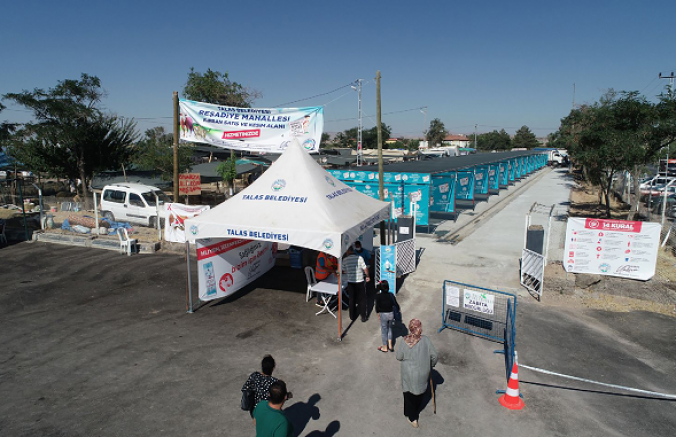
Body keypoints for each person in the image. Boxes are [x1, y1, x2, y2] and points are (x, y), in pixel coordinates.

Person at [396, 319, 438, 428]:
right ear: (420, 328)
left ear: (410, 328)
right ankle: (410, 411)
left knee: (409, 396)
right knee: (419, 394)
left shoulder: (404, 341)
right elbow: (434, 356)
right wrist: (430, 365)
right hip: (422, 374)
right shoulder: (426, 340)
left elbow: (399, 357)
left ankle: (413, 418)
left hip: (408, 374)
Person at [342, 246, 370, 322]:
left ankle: (352, 316)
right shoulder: (360, 258)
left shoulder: (345, 260)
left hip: (351, 282)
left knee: (352, 299)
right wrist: (367, 276)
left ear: (348, 251)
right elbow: (365, 268)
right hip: (360, 281)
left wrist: (348, 270)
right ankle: (363, 317)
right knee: (362, 299)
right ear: (353, 251)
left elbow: (343, 270)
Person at [374, 280, 399, 352]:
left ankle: (385, 347)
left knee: (384, 331)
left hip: (383, 314)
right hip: (391, 314)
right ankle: (390, 345)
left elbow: (377, 307)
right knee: (390, 328)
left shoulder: (378, 296)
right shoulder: (391, 295)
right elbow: (396, 304)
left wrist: (378, 315)